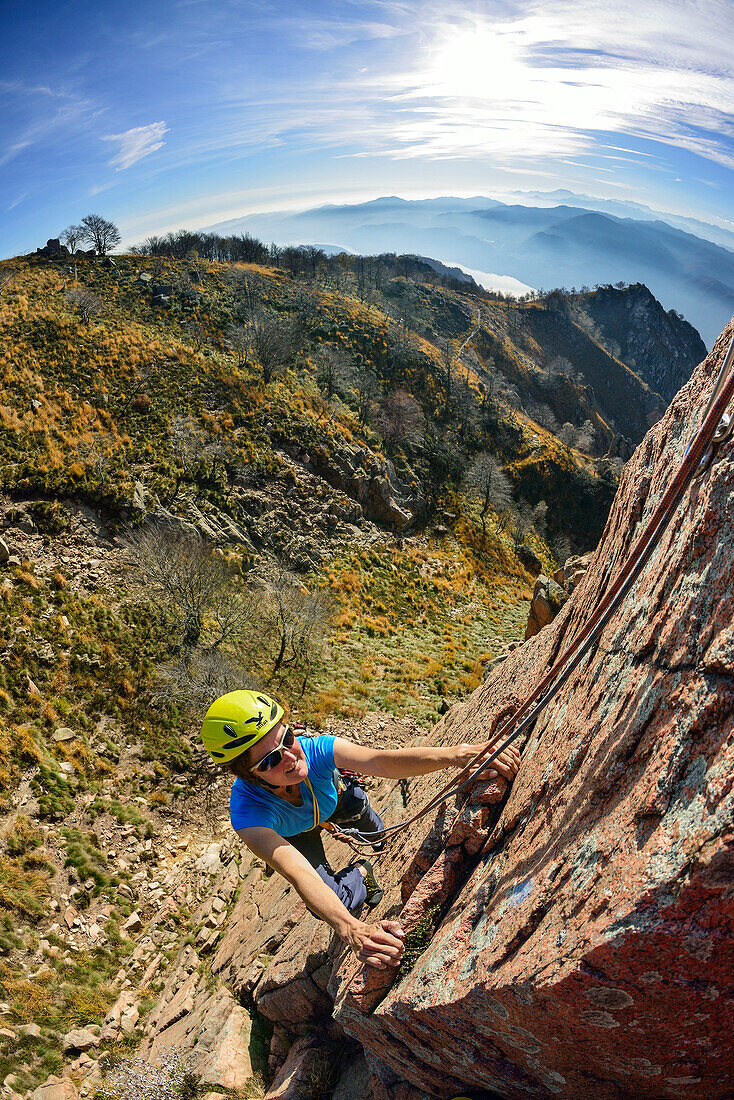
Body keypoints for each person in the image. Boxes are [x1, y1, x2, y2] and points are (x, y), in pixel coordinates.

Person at [201, 689, 521, 970]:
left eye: (287, 738)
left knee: (376, 831)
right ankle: (362, 875)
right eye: (271, 760)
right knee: (332, 902)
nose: (290, 756)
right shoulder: (248, 813)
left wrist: (457, 755)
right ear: (249, 775)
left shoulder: (316, 749)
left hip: (338, 803)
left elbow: (380, 761)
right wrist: (351, 928)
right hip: (296, 835)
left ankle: (371, 829)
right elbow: (299, 875)